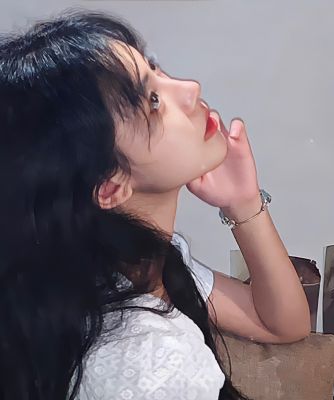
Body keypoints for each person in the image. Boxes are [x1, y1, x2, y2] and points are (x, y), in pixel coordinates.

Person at [0, 8, 311, 400]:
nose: (190, 88)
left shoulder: (121, 266)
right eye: (152, 101)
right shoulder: (151, 362)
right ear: (109, 187)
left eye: (155, 68)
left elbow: (282, 325)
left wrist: (243, 203)